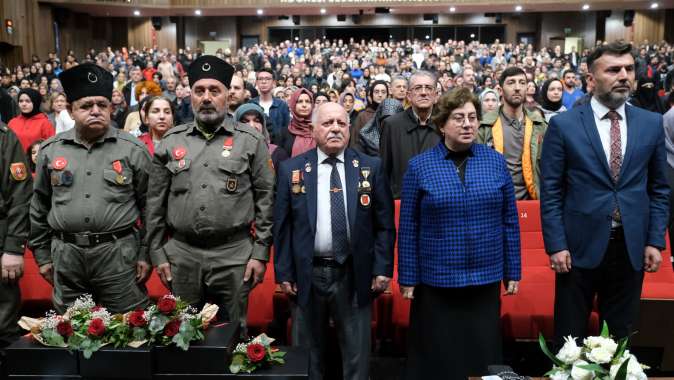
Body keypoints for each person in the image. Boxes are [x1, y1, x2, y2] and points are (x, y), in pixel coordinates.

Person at [540, 41, 669, 348]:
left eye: (628, 69)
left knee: (620, 337)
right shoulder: (564, 125)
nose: (623, 75)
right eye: (613, 70)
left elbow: (659, 188)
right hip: (577, 246)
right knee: (570, 340)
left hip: (631, 246)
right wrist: (556, 245)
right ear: (592, 78)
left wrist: (654, 239)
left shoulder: (650, 123)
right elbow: (552, 191)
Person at [145, 56, 274, 333]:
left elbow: (266, 200)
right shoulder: (171, 142)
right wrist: (157, 253)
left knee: (233, 336)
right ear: (189, 96)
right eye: (199, 91)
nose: (206, 98)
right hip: (182, 255)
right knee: (181, 335)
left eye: (214, 91)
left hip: (234, 255)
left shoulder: (250, 141)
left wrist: (260, 253)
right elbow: (154, 204)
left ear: (228, 96)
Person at [399, 87, 520, 380]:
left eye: (472, 117)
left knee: (481, 353)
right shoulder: (420, 166)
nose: (467, 124)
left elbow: (509, 221)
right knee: (440, 355)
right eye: (458, 118)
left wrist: (512, 270)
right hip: (437, 280)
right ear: (442, 125)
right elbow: (409, 227)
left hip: (485, 277)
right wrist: (407, 277)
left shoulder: (494, 162)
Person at [274, 102, 395, 380]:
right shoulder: (291, 170)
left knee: (356, 355)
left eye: (341, 123)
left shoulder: (370, 167)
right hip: (307, 274)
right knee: (307, 354)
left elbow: (385, 225)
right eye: (328, 123)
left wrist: (382, 267)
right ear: (314, 129)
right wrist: (284, 272)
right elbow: (282, 227)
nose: (335, 129)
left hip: (354, 273)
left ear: (349, 129)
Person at [29, 63, 151, 314]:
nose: (95, 111)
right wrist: (42, 255)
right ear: (71, 111)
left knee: (129, 332)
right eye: (86, 106)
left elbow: (151, 207)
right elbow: (39, 205)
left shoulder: (132, 149)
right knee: (70, 333)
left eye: (102, 105)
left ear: (110, 108)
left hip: (118, 256)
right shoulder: (51, 151)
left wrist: (145, 253)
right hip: (66, 257)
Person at [477, 67, 547, 200]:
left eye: (522, 82)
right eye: (511, 82)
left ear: (527, 88)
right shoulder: (484, 127)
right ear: (500, 90)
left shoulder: (540, 126)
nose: (517, 87)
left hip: (532, 202)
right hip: (494, 202)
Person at [380, 71, 440, 199]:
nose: (423, 92)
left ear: (435, 95)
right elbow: (384, 171)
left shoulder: (445, 124)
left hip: (439, 203)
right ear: (409, 95)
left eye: (428, 88)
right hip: (402, 203)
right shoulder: (391, 125)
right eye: (418, 88)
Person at [0, 121, 32, 347]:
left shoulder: (4, 136)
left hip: (1, 242)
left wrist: (13, 247)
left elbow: (20, 195)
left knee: (3, 325)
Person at [234, 103, 289, 171]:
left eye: (257, 121)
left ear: (263, 125)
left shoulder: (277, 153)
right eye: (245, 121)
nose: (252, 125)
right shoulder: (228, 152)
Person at [250, 68, 290, 143]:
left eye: (267, 79)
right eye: (260, 79)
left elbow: (286, 130)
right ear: (257, 83)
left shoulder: (282, 105)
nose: (264, 82)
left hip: (277, 149)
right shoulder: (250, 104)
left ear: (274, 83)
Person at [277, 88, 315, 157]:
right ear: (293, 104)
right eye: (300, 101)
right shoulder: (283, 132)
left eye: (307, 101)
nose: (304, 105)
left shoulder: (318, 131)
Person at [351, 80, 388, 148]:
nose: (380, 95)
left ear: (387, 95)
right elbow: (355, 141)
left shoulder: (392, 115)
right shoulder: (362, 116)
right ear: (371, 95)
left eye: (383, 92)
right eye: (376, 92)